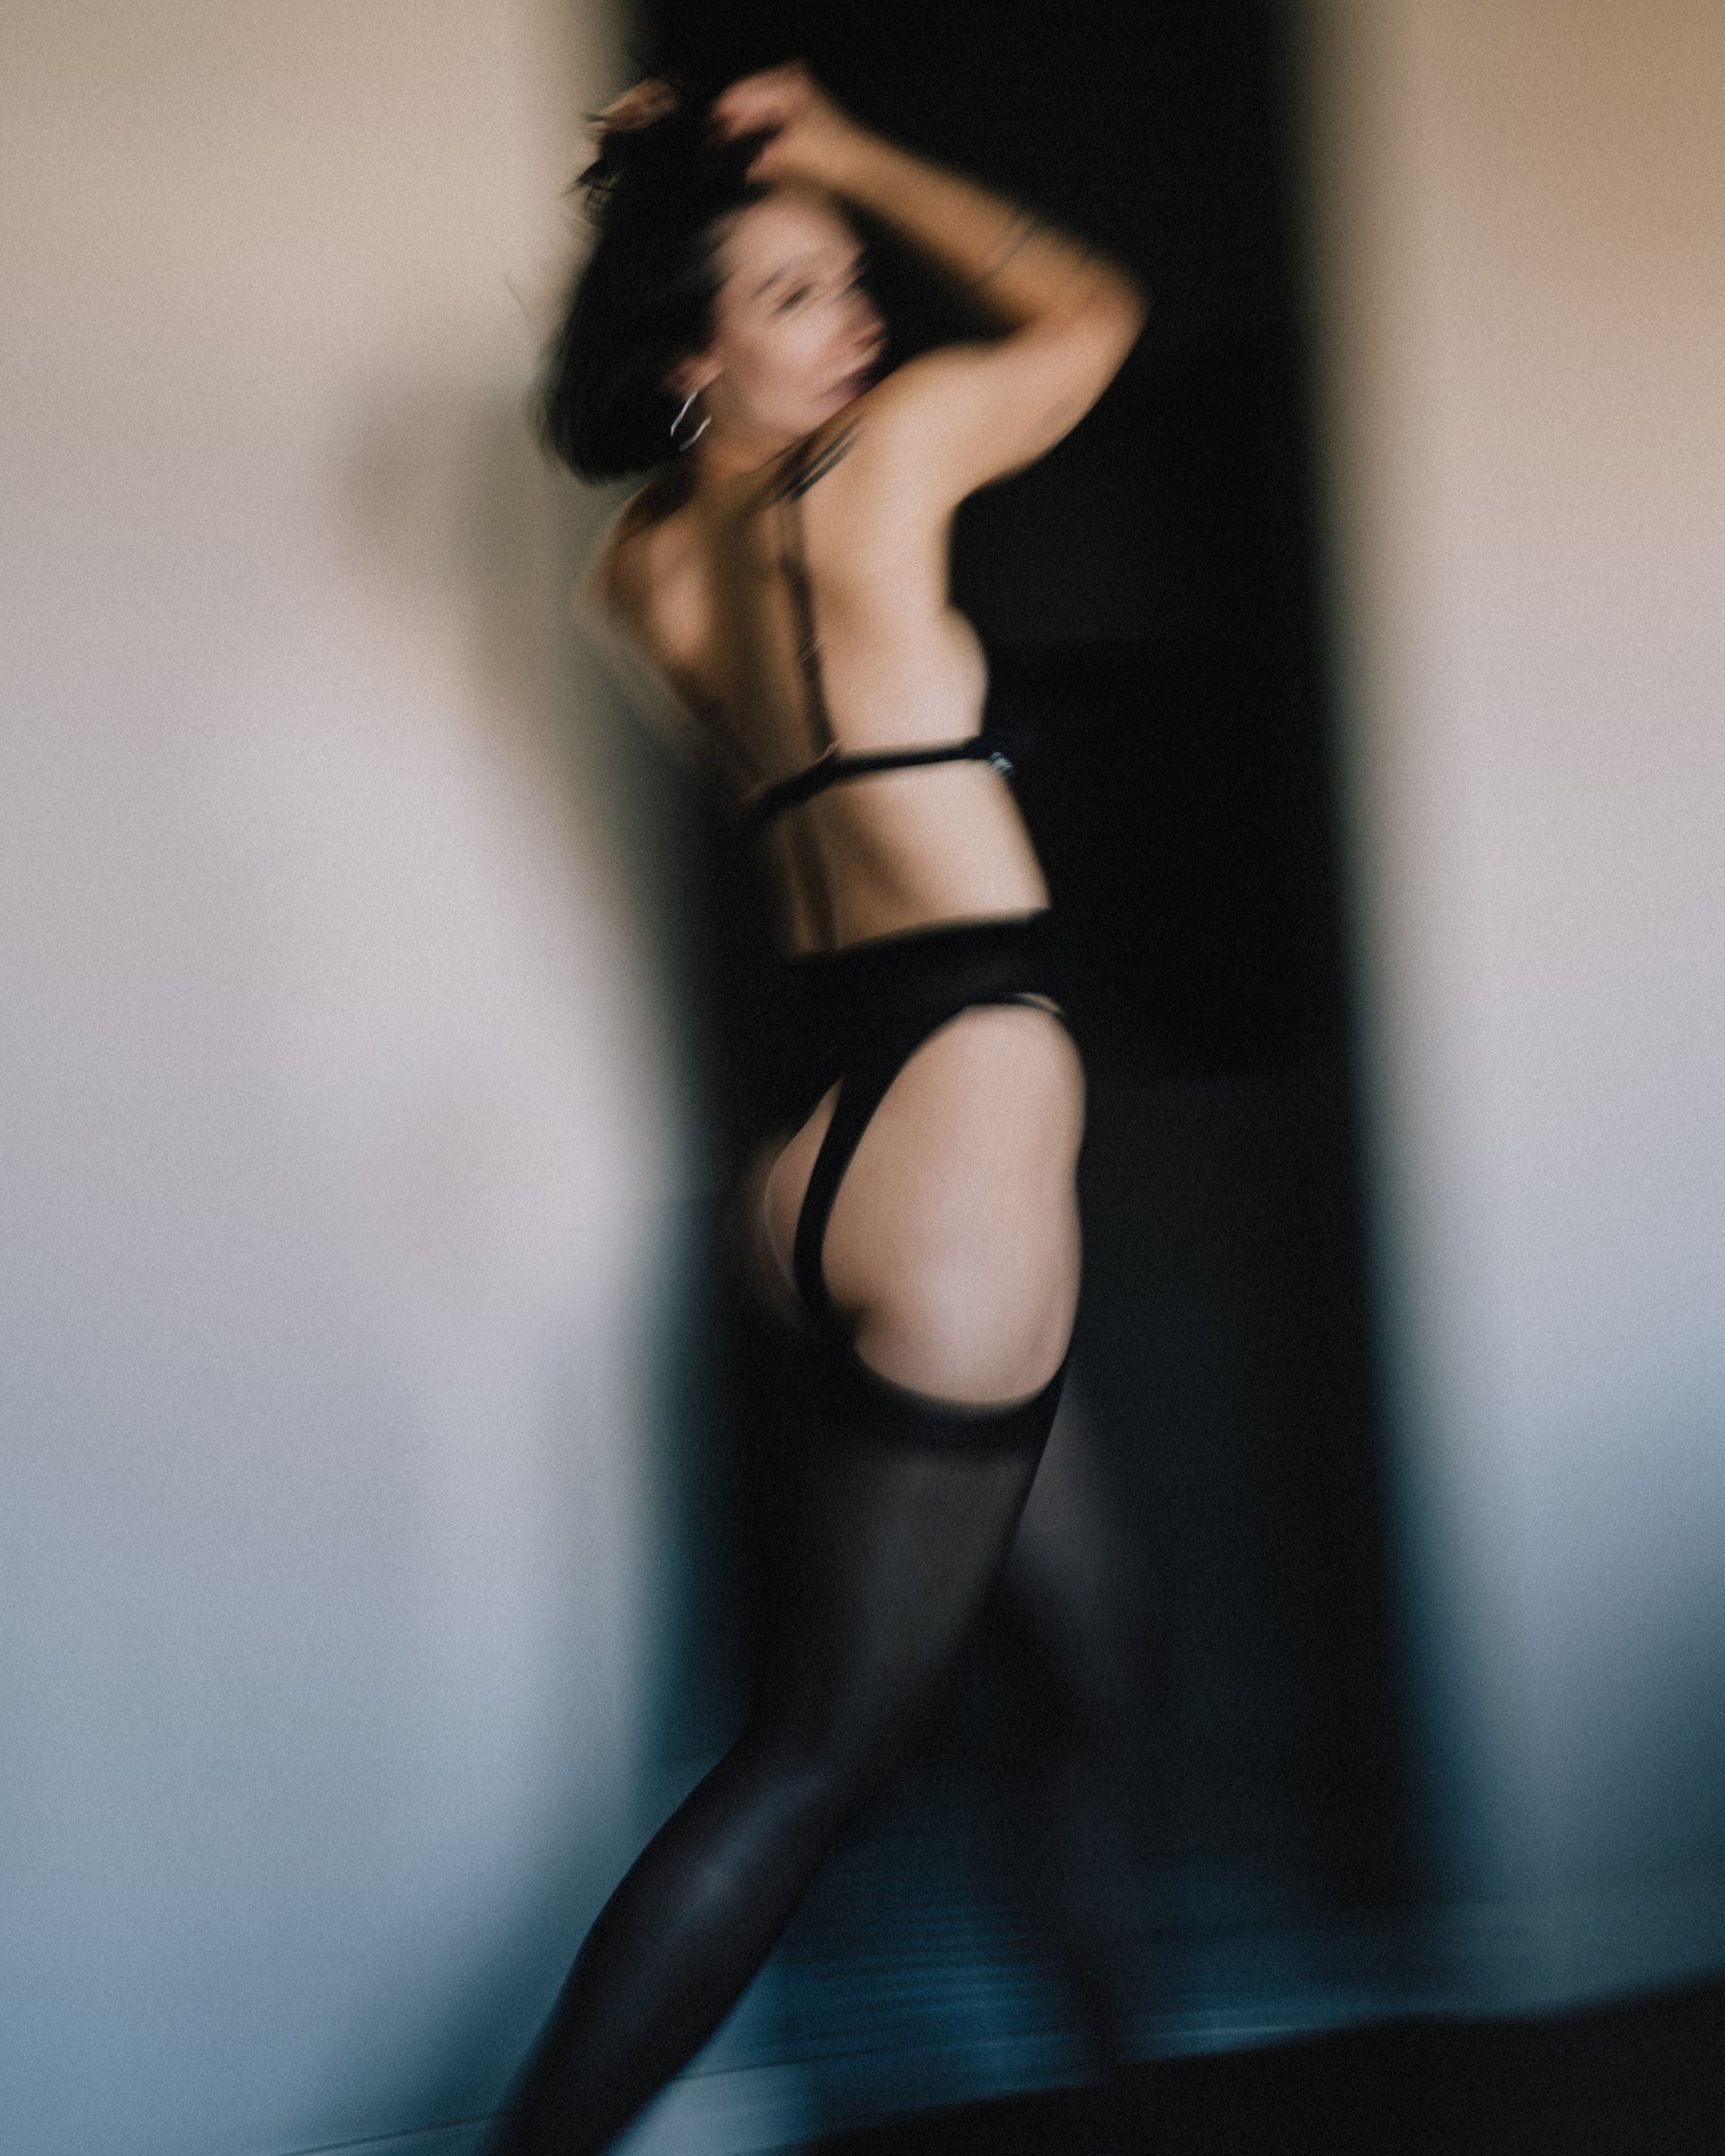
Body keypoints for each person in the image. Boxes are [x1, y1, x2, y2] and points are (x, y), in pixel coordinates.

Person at [488, 62, 1146, 2154]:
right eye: (794, 295)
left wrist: (705, 181)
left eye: (852, 282)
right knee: (814, 1761)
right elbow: (1089, 310)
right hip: (955, 1114)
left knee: (1084, 1663)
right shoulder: (883, 464)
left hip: (826, 1145)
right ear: (693, 360)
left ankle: (1124, 2085)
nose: (857, 322)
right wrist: (840, 144)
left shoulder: (639, 577)